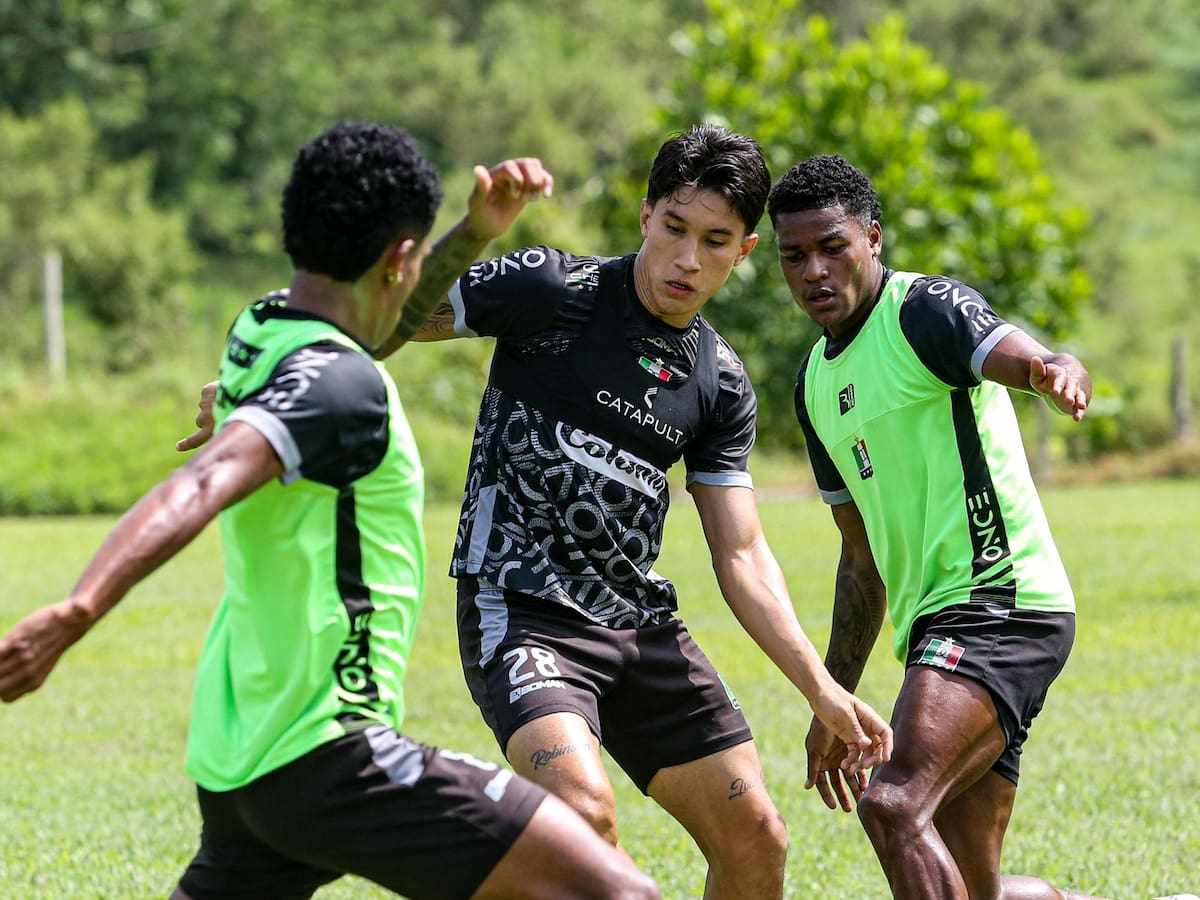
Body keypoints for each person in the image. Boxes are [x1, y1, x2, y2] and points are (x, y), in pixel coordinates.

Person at [0, 120, 659, 900]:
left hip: (245, 757)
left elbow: (381, 320)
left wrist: (471, 234)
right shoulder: (341, 386)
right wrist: (75, 611)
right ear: (396, 261)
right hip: (332, 754)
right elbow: (202, 483)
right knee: (618, 892)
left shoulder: (265, 325)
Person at [370, 124, 894, 900]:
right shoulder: (552, 290)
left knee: (757, 839)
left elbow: (741, 555)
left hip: (638, 628)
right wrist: (472, 234)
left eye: (715, 241)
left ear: (745, 253)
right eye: (675, 229)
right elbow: (384, 322)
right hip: (521, 610)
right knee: (582, 813)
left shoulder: (719, 380)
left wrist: (820, 687)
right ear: (646, 215)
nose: (688, 259)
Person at [767, 153, 1100, 900]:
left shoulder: (923, 310)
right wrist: (832, 695)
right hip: (937, 625)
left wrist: (1053, 368)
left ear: (873, 239)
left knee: (892, 804)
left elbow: (1021, 355)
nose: (813, 271)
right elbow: (861, 560)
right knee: (971, 887)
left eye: (832, 247)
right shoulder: (815, 385)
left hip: (1001, 603)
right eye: (794, 256)